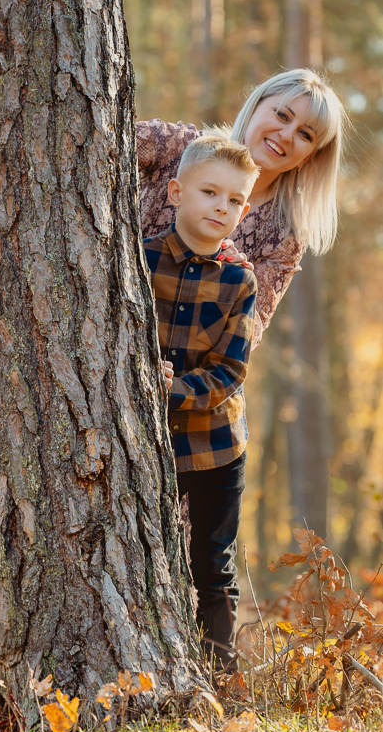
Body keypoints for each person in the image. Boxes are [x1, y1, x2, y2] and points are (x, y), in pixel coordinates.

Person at [144, 132, 260, 667]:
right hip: (149, 444)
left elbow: (230, 370)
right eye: (210, 192)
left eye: (235, 200)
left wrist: (172, 389)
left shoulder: (240, 280)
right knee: (146, 556)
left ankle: (220, 679)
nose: (222, 207)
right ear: (175, 192)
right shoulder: (137, 261)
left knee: (212, 566)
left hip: (216, 448)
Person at [137, 68, 348, 346]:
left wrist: (232, 289)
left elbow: (247, 335)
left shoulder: (285, 234)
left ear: (307, 159)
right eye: (282, 115)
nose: (286, 135)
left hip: (184, 367)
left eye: (305, 134)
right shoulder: (175, 146)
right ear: (255, 106)